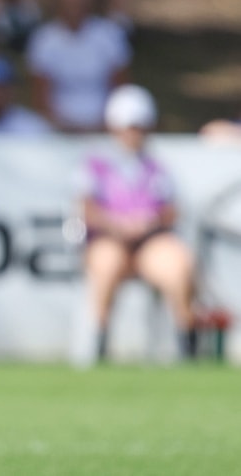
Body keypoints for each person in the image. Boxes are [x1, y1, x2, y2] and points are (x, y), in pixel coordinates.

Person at [75, 84, 198, 362]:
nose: (134, 134)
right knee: (107, 265)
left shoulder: (157, 166)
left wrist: (148, 223)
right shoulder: (96, 163)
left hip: (150, 241)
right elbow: (86, 207)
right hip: (109, 238)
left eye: (139, 127)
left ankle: (188, 346)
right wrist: (116, 224)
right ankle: (99, 344)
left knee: (179, 265)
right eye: (129, 127)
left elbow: (171, 209)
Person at [25, 0, 131, 133]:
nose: (74, 0)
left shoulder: (109, 35)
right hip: (58, 129)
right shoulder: (44, 39)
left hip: (104, 127)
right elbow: (41, 98)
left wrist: (107, 125)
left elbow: (120, 91)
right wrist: (61, 126)